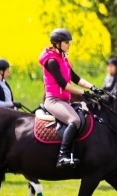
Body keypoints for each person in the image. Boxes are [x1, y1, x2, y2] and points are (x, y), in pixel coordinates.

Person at [0, 58, 45, 196]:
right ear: (1, 71)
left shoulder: (3, 82)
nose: (9, 72)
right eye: (7, 70)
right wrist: (11, 104)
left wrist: (13, 104)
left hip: (7, 115)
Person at [38, 28, 104, 169]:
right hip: (53, 100)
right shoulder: (51, 61)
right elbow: (63, 84)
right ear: (57, 43)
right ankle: (62, 155)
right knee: (74, 120)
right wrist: (83, 93)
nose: (69, 44)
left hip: (64, 101)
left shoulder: (64, 58)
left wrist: (92, 87)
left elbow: (75, 78)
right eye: (67, 42)